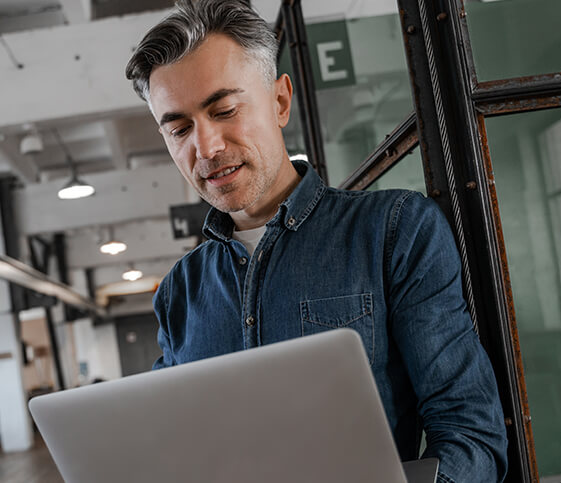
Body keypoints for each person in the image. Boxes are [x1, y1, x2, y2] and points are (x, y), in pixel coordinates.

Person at [124, 1, 507, 481]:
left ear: (280, 101)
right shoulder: (180, 290)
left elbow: (472, 437)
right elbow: (173, 443)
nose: (206, 147)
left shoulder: (392, 232)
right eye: (178, 128)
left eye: (224, 110)